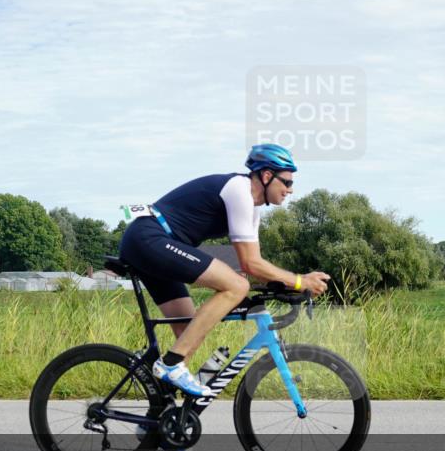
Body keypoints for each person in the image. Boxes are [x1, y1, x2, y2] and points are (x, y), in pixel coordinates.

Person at [118, 143, 331, 397]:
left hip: (157, 243)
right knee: (236, 286)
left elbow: (253, 263)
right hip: (149, 238)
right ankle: (170, 365)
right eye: (286, 182)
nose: (290, 190)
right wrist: (299, 281)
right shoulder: (239, 190)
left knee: (188, 330)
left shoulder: (252, 208)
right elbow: (251, 266)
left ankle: (162, 411)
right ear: (266, 176)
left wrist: (285, 284)